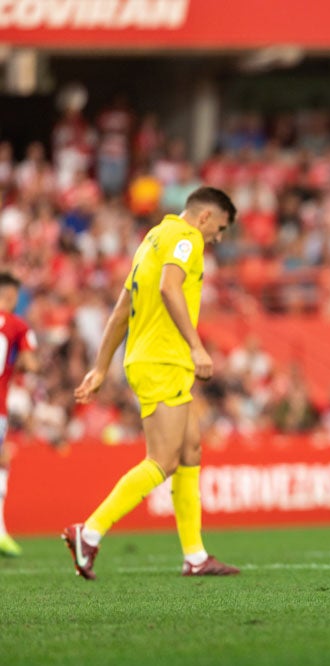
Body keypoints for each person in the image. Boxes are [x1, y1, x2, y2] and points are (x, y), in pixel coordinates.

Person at [65, 186, 241, 579]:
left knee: (191, 450)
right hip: (163, 360)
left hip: (151, 359)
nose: (218, 238)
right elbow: (168, 287)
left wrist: (100, 368)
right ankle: (89, 532)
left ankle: (195, 556)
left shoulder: (153, 238)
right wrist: (197, 347)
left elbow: (121, 308)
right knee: (162, 461)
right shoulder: (187, 238)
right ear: (205, 217)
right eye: (220, 228)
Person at [0, 273, 39, 557]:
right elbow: (30, 364)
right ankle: (0, 532)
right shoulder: (18, 325)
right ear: (12, 296)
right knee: (2, 462)